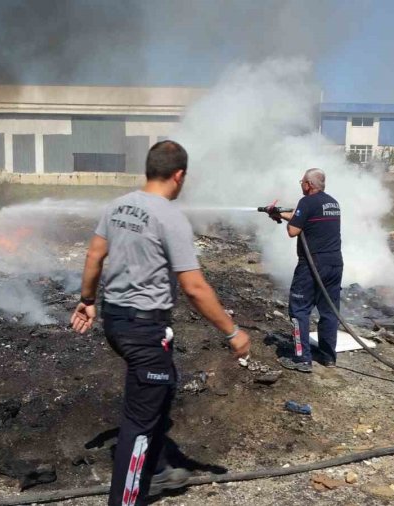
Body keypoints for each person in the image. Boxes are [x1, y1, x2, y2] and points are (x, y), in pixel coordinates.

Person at [71, 140, 251, 505]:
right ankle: (129, 495)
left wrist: (87, 300)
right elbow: (195, 288)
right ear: (179, 175)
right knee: (138, 426)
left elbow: (94, 255)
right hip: (144, 330)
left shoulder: (117, 206)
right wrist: (232, 331)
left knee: (163, 387)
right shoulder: (170, 217)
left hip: (116, 321)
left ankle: (155, 469)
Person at [267, 168, 342, 373]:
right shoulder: (332, 203)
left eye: (302, 182)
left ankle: (302, 359)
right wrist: (278, 214)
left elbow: (294, 230)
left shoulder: (307, 202)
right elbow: (305, 218)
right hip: (334, 265)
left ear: (308, 184)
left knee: (298, 309)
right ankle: (328, 357)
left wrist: (286, 220)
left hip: (311, 266)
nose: (301, 185)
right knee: (329, 312)